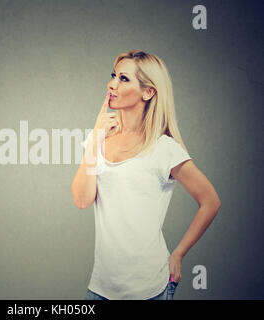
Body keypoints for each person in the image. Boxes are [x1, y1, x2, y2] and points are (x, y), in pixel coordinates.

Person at [71, 50, 221, 300]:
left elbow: (210, 202)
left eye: (123, 79)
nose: (112, 84)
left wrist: (178, 254)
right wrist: (95, 137)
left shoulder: (165, 149)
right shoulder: (99, 138)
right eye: (113, 76)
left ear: (148, 92)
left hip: (149, 290)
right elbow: (82, 200)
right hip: (101, 289)